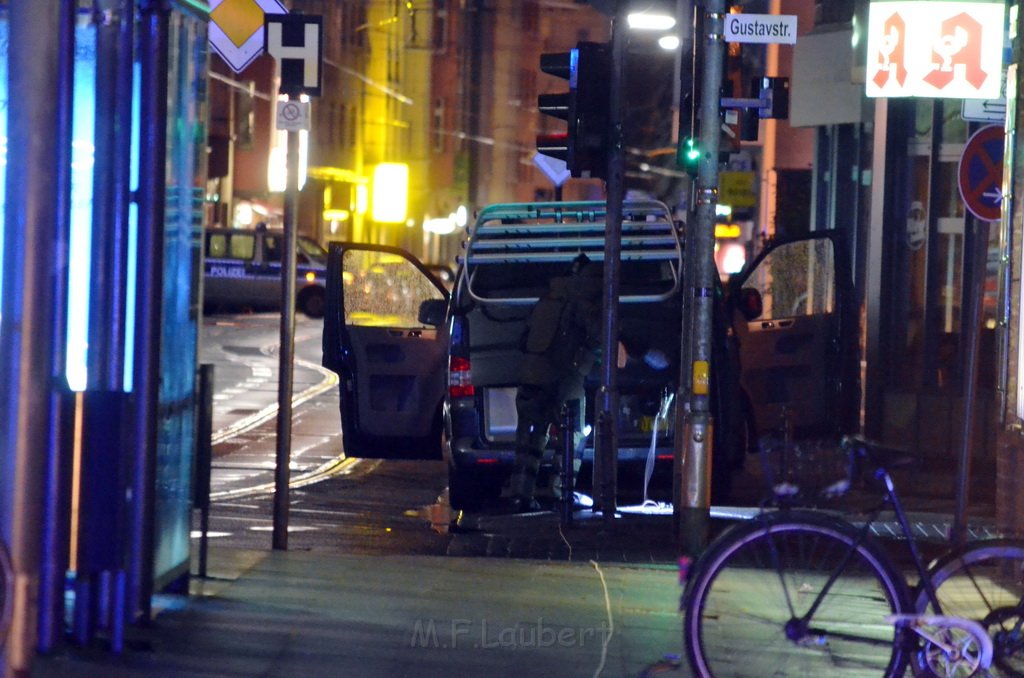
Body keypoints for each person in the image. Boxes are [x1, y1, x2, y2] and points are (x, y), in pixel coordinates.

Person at [503, 254, 668, 512]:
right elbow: (603, 332)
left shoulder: (549, 297)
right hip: (565, 376)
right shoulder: (587, 299)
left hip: (531, 374)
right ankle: (562, 493)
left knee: (529, 437)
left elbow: (523, 338)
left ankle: (519, 494)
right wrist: (636, 349)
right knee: (574, 434)